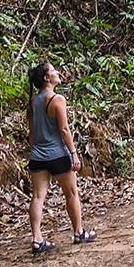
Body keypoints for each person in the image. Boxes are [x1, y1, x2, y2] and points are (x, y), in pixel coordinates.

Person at [25, 61, 97, 253]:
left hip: (38, 156)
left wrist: (35, 150)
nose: (57, 72)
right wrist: (73, 153)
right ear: (47, 78)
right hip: (57, 155)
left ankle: (37, 239)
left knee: (38, 196)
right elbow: (64, 129)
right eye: (53, 70)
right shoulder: (57, 99)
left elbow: (32, 133)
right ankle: (78, 232)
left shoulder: (33, 102)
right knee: (72, 193)